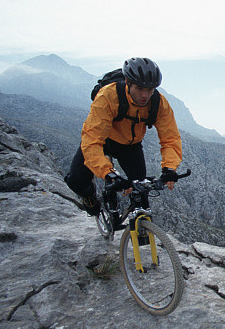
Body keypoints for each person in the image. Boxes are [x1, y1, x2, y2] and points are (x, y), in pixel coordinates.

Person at [65, 57, 183, 215]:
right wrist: (109, 174)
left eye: (150, 89)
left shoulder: (158, 103)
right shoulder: (107, 96)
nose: (145, 95)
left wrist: (169, 167)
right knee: (76, 181)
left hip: (130, 147)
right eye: (140, 88)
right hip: (103, 141)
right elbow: (92, 140)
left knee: (141, 192)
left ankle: (142, 231)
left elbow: (170, 138)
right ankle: (89, 195)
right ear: (128, 82)